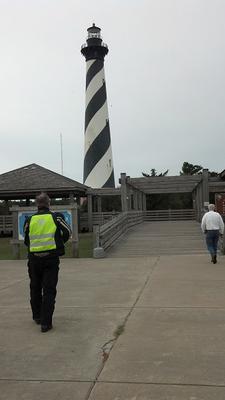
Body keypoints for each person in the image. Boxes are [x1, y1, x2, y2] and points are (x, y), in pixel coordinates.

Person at [24, 192, 71, 332]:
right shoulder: (56, 217)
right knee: (49, 290)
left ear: (37, 204)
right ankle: (46, 323)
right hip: (51, 258)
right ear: (48, 203)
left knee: (35, 287)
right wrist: (59, 243)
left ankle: (37, 316)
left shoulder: (29, 219)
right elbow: (67, 232)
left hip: (34, 259)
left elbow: (27, 239)